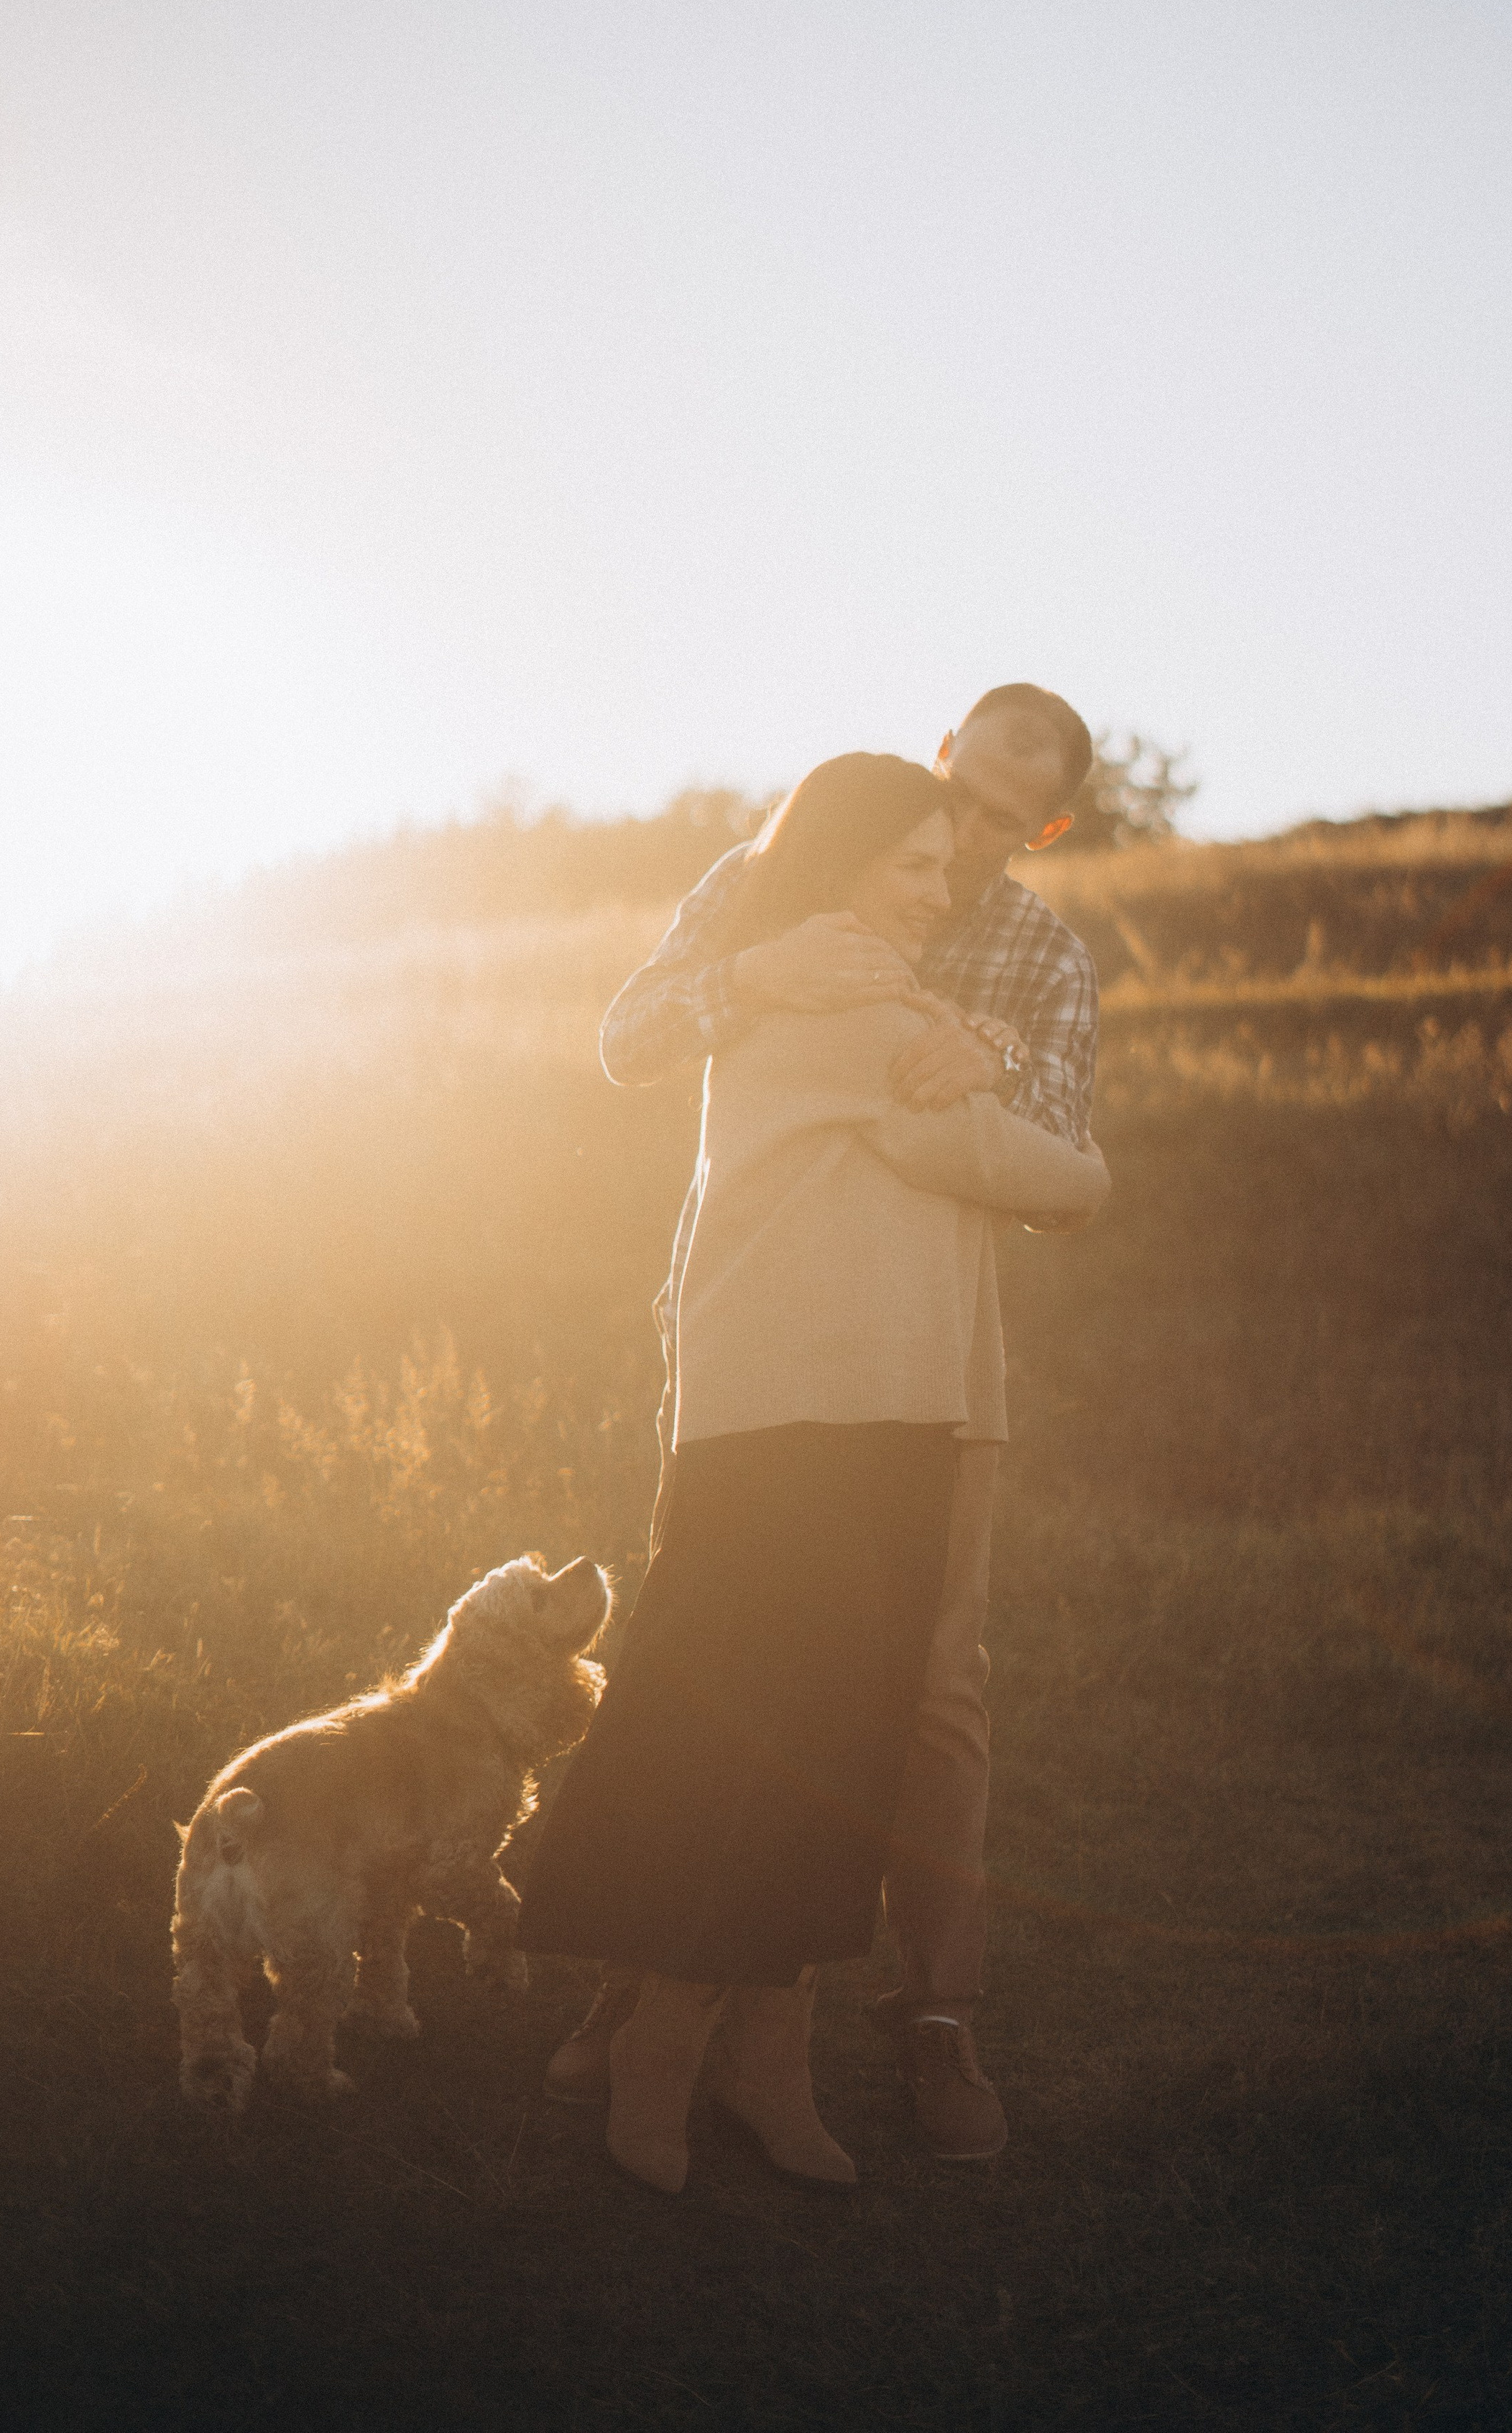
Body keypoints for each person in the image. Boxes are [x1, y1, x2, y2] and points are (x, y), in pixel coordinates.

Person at [517, 754, 1108, 2191]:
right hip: (801, 1413)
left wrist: (975, 1040)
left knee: (831, 1748)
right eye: (912, 862)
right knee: (743, 1738)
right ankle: (661, 2043)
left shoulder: (875, 983)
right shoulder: (837, 987)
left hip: (884, 1408)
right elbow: (1063, 1177)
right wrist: (979, 1067)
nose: (939, 884)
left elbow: (992, 1132)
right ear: (842, 862)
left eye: (949, 861)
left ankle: (765, 2061)